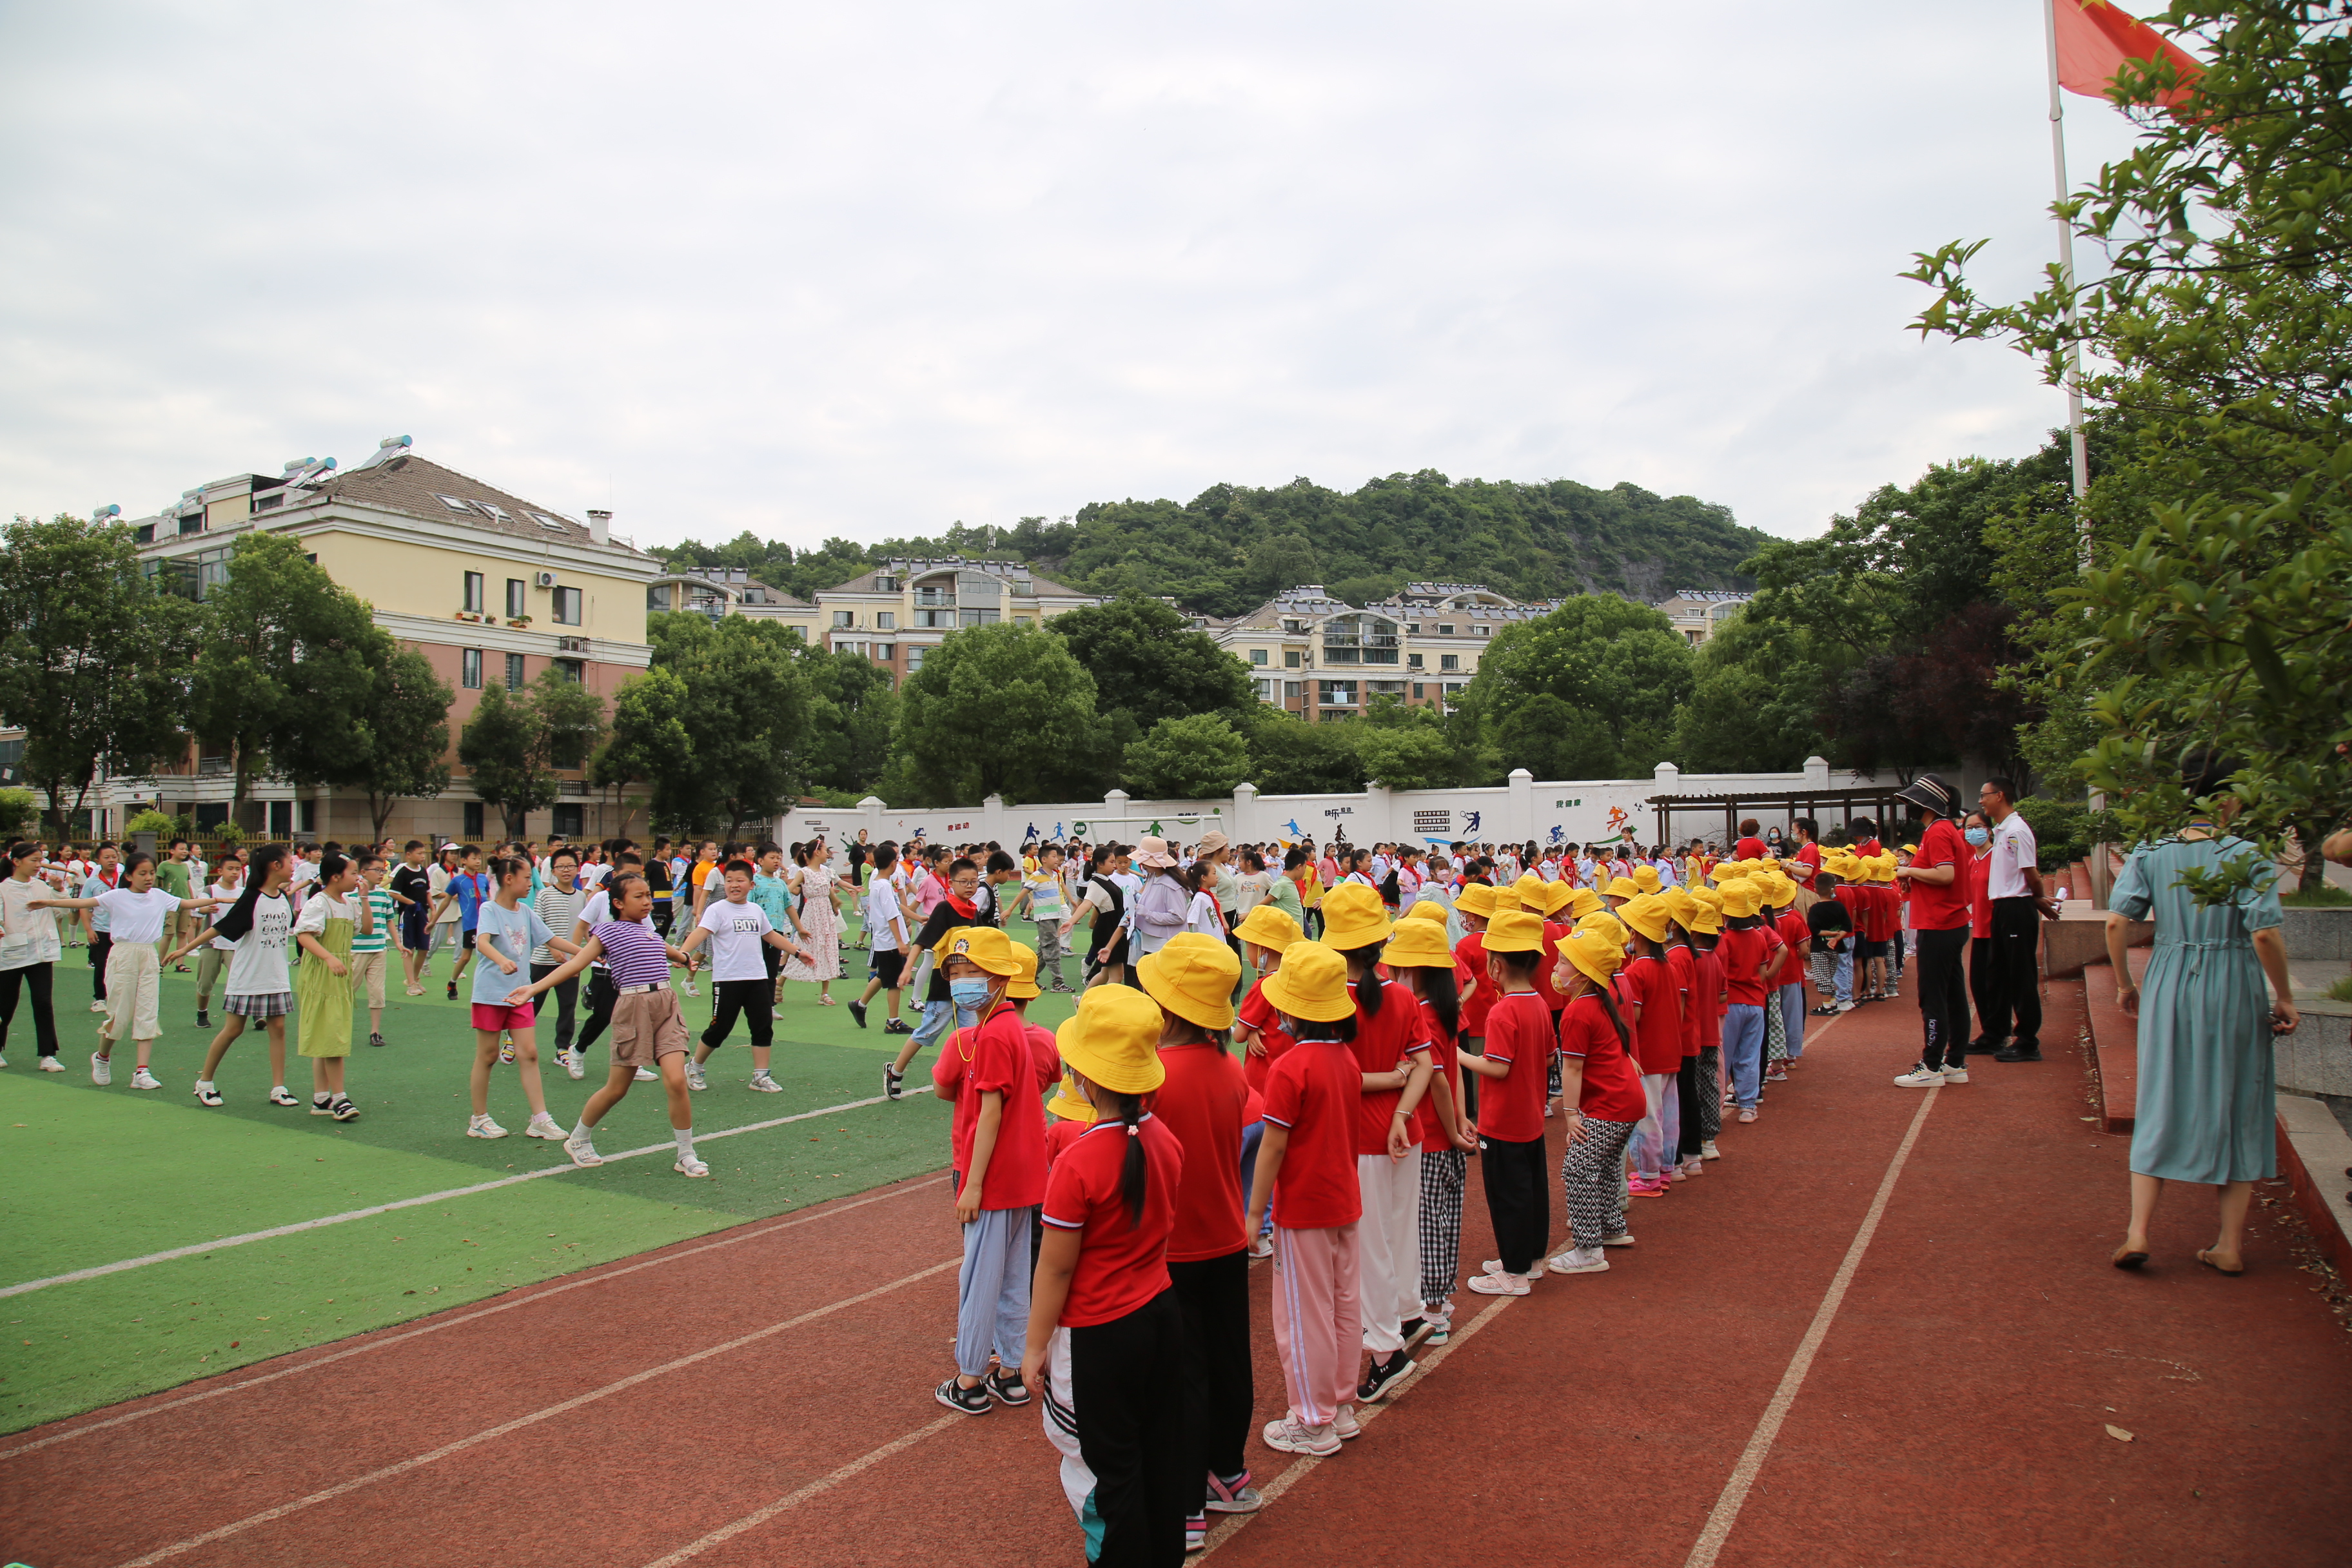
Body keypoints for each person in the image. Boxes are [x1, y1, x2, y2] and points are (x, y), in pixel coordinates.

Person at [2103, 752, 2298, 1274]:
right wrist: (2284, 996)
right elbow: (2263, 933)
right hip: (2233, 980)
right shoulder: (2247, 855)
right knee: (2240, 1097)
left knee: (2161, 1092)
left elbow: (2117, 925)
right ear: (2230, 798)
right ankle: (2229, 1245)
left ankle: (2139, 1231)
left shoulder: (2152, 851)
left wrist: (2125, 982)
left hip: (2169, 977)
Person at [1021, 983, 1190, 1565]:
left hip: (1099, 1334)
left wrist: (1033, 1345)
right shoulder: (1165, 1141)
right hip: (1160, 1315)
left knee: (1102, 1473)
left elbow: (1056, 1265)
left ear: (1084, 1077)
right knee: (1156, 1455)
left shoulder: (1079, 1161)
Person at [1132, 932, 1258, 1543]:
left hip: (1172, 1248)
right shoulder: (1229, 1071)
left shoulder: (1154, 1078)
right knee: (1232, 1358)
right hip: (1228, 1239)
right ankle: (1229, 1471)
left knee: (1181, 1375)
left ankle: (1184, 1502)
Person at [1242, 941, 1366, 1456]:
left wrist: (1253, 1213)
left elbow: (1273, 1146)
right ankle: (1338, 1407)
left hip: (1305, 1206)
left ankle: (1312, 1420)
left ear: (1291, 1009)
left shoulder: (1291, 1068)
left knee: (1301, 1316)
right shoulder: (1346, 1060)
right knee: (1342, 1305)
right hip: (1343, 1200)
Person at [511, 872, 707, 1173]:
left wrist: (682, 957)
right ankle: (579, 1138)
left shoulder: (648, 930)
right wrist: (534, 989)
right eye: (638, 897)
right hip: (633, 1009)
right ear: (617, 902)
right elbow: (576, 963)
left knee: (677, 1080)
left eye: (648, 895)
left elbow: (663, 949)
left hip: (666, 1004)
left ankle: (685, 1153)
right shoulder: (607, 931)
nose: (647, 902)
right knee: (617, 1088)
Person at [931, 926, 1049, 1414]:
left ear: (1000, 976)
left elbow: (991, 1113)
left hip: (996, 1177)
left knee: (980, 1277)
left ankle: (971, 1377)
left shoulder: (994, 1035)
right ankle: (1011, 1371)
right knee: (1014, 1274)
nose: (962, 979)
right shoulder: (1000, 1027)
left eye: (972, 970)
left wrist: (973, 1185)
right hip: (1022, 1174)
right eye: (956, 970)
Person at [40, 851, 218, 1090]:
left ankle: (141, 1072)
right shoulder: (117, 896)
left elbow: (186, 903)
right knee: (119, 1015)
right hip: (123, 955)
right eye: (142, 873)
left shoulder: (159, 896)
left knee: (147, 1012)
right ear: (130, 876)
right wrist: (50, 902)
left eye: (152, 873)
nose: (149, 878)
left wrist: (219, 900)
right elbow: (84, 903)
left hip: (148, 956)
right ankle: (102, 1058)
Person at [1380, 915, 1473, 1344]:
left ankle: (1433, 1311)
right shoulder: (1443, 1007)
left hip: (1433, 1134)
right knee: (1441, 1219)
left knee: (1427, 1225)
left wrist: (1453, 1129)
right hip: (1443, 1129)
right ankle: (1438, 1305)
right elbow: (1452, 1072)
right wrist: (1461, 1116)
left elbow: (1435, 1076)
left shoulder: (1422, 1014)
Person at [1456, 911, 1551, 1295]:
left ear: (1496, 965)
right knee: (1532, 1188)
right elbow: (1547, 1057)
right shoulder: (1539, 1003)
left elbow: (1495, 1068)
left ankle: (1514, 1272)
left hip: (1503, 1120)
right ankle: (1530, 1257)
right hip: (1529, 1114)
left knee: (1507, 1193)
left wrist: (1456, 1055)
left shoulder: (1503, 1010)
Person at [175, 845, 299, 1107]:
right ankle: (204, 1083)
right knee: (233, 1029)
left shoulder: (284, 897)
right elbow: (220, 928)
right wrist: (186, 948)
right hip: (247, 976)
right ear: (275, 866)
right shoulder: (251, 898)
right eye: (289, 862)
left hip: (277, 976)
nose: (293, 866)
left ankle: (279, 1088)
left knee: (278, 1029)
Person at [466, 853, 575, 1141]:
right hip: (491, 994)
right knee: (488, 1055)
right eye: (527, 878)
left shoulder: (526, 912)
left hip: (521, 994)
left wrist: (590, 952)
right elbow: (482, 941)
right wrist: (502, 960)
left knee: (529, 1053)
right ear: (509, 879)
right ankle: (479, 1119)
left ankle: (540, 1118)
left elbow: (552, 940)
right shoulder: (490, 909)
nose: (532, 883)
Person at [680, 857, 807, 1094]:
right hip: (728, 979)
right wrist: (683, 954)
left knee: (762, 1026)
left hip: (756, 978)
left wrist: (798, 952)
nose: (734, 885)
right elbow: (700, 932)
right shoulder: (717, 910)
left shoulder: (755, 910)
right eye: (729, 881)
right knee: (720, 1028)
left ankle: (760, 1076)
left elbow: (771, 936)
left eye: (740, 880)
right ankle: (695, 1067)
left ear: (752, 885)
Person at [1890, 774, 1976, 1088]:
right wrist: (1914, 877)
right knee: (1953, 995)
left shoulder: (1939, 831)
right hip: (1948, 922)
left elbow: (1945, 875)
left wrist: (1907, 870)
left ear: (1925, 804)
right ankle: (1954, 1062)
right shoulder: (1943, 830)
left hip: (1939, 924)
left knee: (1934, 997)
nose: (1907, 807)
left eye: (1911, 802)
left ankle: (1931, 1064)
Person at [1979, 777, 2055, 1063]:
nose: (1981, 801)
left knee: (2020, 974)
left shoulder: (2017, 831)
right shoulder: (2001, 830)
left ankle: (2027, 1040)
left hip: (2016, 907)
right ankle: (1996, 1032)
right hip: (2002, 906)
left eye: (1984, 796)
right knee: (1997, 972)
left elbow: (2030, 873)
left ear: (2000, 796)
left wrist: (2037, 897)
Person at [289, 850, 369, 1121]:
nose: (358, 878)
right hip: (322, 975)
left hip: (338, 975)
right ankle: (339, 1097)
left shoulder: (348, 903)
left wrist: (365, 898)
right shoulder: (319, 902)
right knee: (333, 1035)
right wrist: (329, 957)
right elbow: (304, 936)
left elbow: (366, 929)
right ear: (336, 877)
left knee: (329, 1033)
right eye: (354, 872)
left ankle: (321, 1097)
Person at [0, 839, 64, 1072]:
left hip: (41, 954)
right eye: (34, 860)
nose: (40, 865)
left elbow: (63, 911)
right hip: (12, 953)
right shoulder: (3, 888)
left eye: (41, 860)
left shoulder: (41, 886)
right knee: (5, 1005)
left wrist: (57, 890)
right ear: (16, 862)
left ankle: (48, 1054)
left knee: (43, 1002)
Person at [847, 843, 914, 1035]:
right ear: (893, 864)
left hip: (885, 938)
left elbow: (896, 908)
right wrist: (900, 941)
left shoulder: (878, 882)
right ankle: (893, 1021)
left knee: (885, 975)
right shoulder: (883, 886)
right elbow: (892, 915)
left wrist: (917, 917)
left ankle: (859, 1004)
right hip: (889, 940)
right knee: (893, 982)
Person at [781, 838, 847, 1003]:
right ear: (817, 852)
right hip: (811, 915)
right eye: (826, 851)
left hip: (826, 915)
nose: (828, 854)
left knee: (828, 949)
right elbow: (790, 889)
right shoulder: (804, 872)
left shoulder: (826, 871)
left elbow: (829, 890)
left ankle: (824, 993)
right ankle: (780, 982)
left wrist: (835, 902)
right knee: (803, 947)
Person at [1012, 843, 1073, 994]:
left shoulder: (1055, 874)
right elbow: (1024, 892)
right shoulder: (1036, 876)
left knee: (1043, 950)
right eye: (1054, 857)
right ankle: (1058, 983)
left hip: (1054, 916)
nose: (1057, 860)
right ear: (1044, 859)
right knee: (1052, 949)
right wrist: (1009, 910)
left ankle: (1029, 978)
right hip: (1044, 918)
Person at [351, 854, 397, 1048]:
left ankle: (375, 1032)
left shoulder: (383, 895)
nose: (381, 874)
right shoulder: (350, 896)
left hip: (379, 949)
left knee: (377, 993)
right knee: (347, 991)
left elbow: (389, 921)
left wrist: (398, 943)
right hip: (356, 950)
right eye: (377, 870)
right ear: (363, 872)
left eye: (383, 870)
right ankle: (338, 1027)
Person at [78, 842, 123, 1013]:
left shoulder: (126, 878)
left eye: (114, 857)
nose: (111, 860)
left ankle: (118, 997)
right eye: (107, 857)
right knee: (101, 965)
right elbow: (83, 905)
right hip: (101, 929)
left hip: (123, 930)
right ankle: (99, 998)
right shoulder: (93, 882)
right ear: (98, 860)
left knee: (122, 965)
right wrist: (89, 929)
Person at [390, 840, 434, 996]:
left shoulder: (423, 871)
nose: (423, 856)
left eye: (424, 853)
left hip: (422, 913)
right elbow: (393, 892)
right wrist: (411, 903)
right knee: (409, 949)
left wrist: (433, 910)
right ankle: (411, 984)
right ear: (409, 855)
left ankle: (415, 978)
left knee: (424, 948)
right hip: (407, 914)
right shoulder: (403, 872)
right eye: (419, 853)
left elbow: (428, 892)